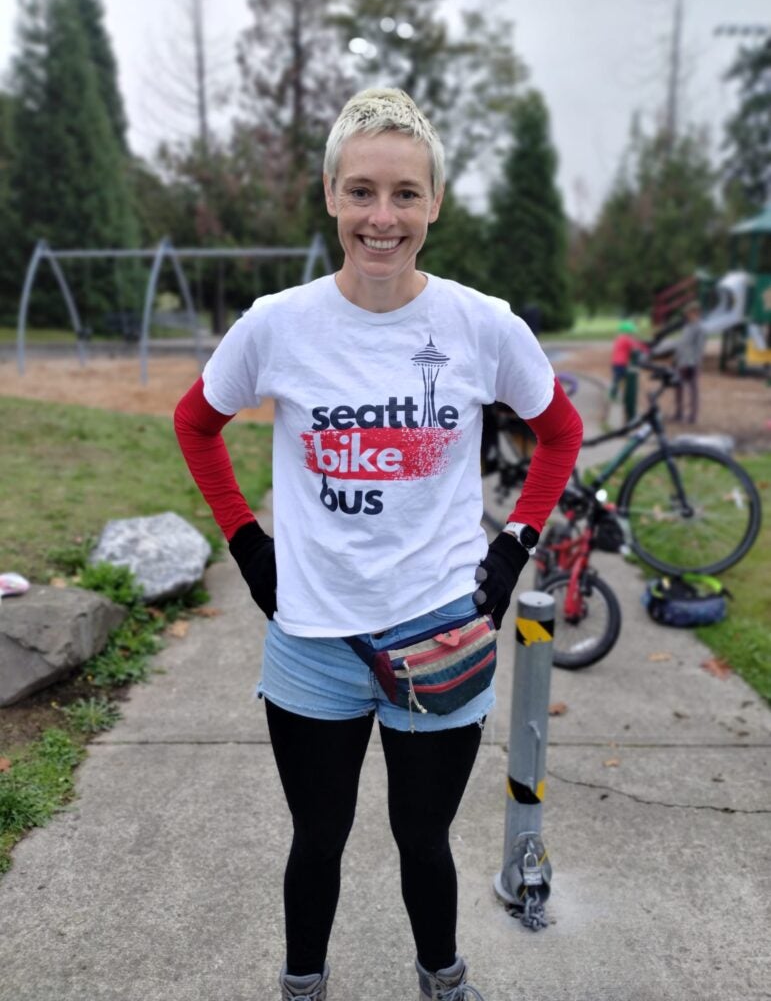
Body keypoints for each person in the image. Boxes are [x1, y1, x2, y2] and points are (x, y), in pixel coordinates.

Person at [174, 88, 583, 1001]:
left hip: (439, 631)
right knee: (316, 840)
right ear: (329, 195)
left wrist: (512, 546)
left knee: (423, 839)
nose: (381, 218)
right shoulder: (277, 323)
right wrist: (247, 543)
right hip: (313, 639)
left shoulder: (481, 324)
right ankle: (303, 986)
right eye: (361, 192)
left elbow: (559, 434)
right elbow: (194, 424)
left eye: (404, 195)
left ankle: (442, 979)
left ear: (434, 202)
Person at [672, 299, 706, 423]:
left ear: (696, 313)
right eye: (687, 313)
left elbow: (699, 348)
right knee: (678, 386)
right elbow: (682, 344)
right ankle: (679, 412)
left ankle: (693, 415)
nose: (687, 315)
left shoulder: (700, 328)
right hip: (681, 361)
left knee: (693, 390)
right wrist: (676, 358)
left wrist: (694, 363)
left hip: (691, 363)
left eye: (689, 312)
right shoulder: (687, 326)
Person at [609, 318, 646, 402]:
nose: (632, 334)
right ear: (628, 332)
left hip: (616, 362)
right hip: (621, 363)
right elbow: (635, 345)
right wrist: (645, 349)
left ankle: (614, 394)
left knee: (617, 379)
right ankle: (614, 395)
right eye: (631, 333)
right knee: (623, 379)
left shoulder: (619, 338)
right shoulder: (626, 339)